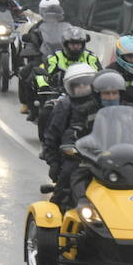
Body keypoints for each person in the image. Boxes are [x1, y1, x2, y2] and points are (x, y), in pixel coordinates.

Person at [62, 70, 128, 205]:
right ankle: (57, 217)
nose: (111, 97)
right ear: (98, 95)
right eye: (106, 93)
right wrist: (72, 143)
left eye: (115, 93)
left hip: (124, 164)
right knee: (67, 179)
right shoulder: (84, 111)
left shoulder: (129, 113)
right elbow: (74, 130)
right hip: (91, 163)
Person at [40, 62, 97, 208]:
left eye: (85, 84)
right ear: (70, 87)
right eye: (77, 85)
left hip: (100, 154)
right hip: (74, 155)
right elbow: (52, 136)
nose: (82, 88)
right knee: (66, 176)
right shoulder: (65, 106)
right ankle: (56, 206)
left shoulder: (99, 103)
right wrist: (53, 162)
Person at [32, 26, 101, 119]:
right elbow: (48, 72)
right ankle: (46, 131)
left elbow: (99, 74)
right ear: (65, 44)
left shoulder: (90, 57)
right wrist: (46, 85)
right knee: (45, 113)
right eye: (72, 44)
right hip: (60, 91)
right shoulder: (55, 56)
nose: (76, 47)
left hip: (86, 92)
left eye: (79, 44)